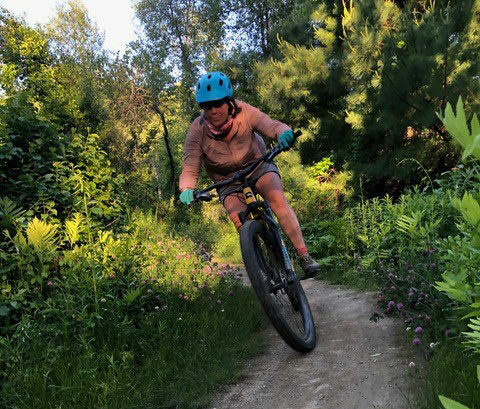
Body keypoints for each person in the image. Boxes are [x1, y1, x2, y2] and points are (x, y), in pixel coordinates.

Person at [178, 71, 320, 278]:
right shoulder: (197, 129)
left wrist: (283, 133)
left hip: (257, 165)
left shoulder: (245, 112)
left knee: (277, 199)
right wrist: (187, 188)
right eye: (207, 106)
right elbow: (190, 162)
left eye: (218, 103)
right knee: (242, 225)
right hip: (226, 181)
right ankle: (262, 268)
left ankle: (304, 256)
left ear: (229, 102)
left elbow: (269, 124)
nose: (213, 110)